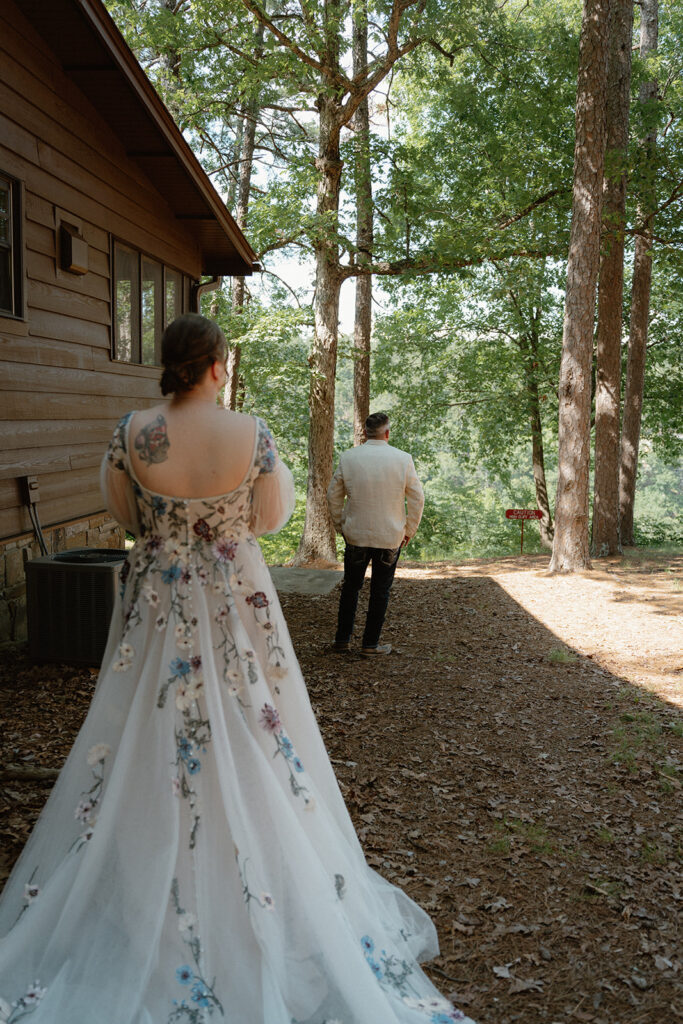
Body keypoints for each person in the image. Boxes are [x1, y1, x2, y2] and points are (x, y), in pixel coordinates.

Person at [0, 316, 474, 1024]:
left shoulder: (130, 431)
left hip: (156, 605)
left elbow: (122, 509)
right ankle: (249, 866)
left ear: (168, 364)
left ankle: (149, 865)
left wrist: (169, 530)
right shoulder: (250, 433)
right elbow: (272, 517)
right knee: (254, 723)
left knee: (149, 727)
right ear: (216, 366)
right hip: (231, 604)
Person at [327, 412, 425, 656]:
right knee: (381, 590)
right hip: (389, 535)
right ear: (388, 433)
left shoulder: (349, 458)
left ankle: (342, 639)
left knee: (351, 587)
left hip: (356, 534)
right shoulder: (403, 459)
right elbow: (417, 497)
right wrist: (409, 529)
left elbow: (333, 495)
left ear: (364, 433)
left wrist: (341, 524)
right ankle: (370, 644)